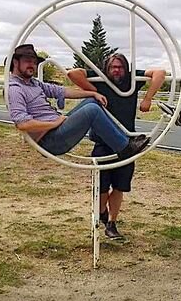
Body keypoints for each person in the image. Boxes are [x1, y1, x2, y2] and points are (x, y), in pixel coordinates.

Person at [67, 54, 166, 239]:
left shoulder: (131, 80)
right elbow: (73, 73)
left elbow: (160, 73)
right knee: (102, 188)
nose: (116, 70)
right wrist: (94, 91)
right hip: (103, 143)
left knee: (120, 186)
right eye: (113, 67)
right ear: (106, 68)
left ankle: (112, 223)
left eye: (120, 67)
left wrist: (148, 98)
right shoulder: (101, 79)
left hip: (127, 143)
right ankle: (102, 213)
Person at [7, 44, 150, 162]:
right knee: (91, 110)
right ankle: (125, 148)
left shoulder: (33, 83)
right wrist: (54, 123)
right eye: (27, 61)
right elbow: (22, 124)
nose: (32, 65)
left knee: (92, 101)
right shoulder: (15, 89)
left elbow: (63, 91)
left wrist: (93, 93)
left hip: (57, 128)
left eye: (34, 62)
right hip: (49, 139)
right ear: (15, 62)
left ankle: (112, 138)